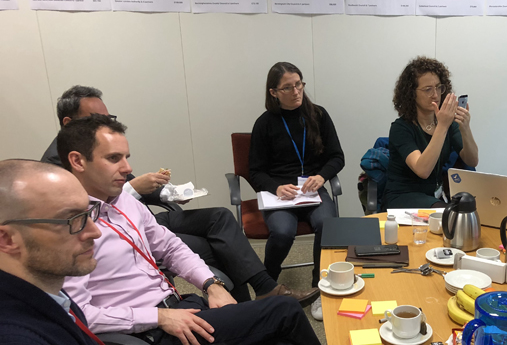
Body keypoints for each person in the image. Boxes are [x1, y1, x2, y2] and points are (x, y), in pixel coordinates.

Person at [58, 114, 321, 345]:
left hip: (182, 308)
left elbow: (170, 247)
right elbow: (78, 314)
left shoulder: (122, 200)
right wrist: (158, 317)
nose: (128, 169)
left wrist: (211, 284)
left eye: (126, 157)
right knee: (284, 311)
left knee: (277, 335)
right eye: (114, 158)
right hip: (150, 331)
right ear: (78, 161)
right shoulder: (67, 228)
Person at [41, 85, 318, 304]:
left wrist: (166, 194)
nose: (104, 124)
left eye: (107, 117)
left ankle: (259, 294)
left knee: (220, 218)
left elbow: (124, 187)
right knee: (219, 246)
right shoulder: (56, 170)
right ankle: (250, 301)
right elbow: (103, 210)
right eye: (95, 118)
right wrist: (134, 189)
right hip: (125, 231)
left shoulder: (98, 145)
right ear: (69, 123)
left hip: (145, 218)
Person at [248, 62, 345, 321]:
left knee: (328, 224)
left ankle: (320, 287)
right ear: (273, 92)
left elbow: (337, 157)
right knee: (282, 231)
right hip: (281, 194)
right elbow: (255, 171)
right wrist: (275, 186)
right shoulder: (265, 123)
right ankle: (267, 286)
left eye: (299, 84)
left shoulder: (319, 115)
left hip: (313, 191)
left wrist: (322, 176)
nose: (296, 91)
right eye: (288, 87)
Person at [0, 159, 102, 344]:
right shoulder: (16, 337)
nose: (95, 232)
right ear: (7, 240)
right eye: (71, 220)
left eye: (87, 213)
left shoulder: (47, 288)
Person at [384, 56, 479, 209]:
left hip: (433, 196)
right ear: (411, 93)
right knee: (450, 215)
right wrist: (442, 126)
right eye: (428, 89)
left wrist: (465, 128)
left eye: (439, 87)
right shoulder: (401, 128)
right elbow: (423, 170)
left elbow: (472, 160)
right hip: (403, 196)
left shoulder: (447, 123)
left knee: (471, 211)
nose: (435, 94)